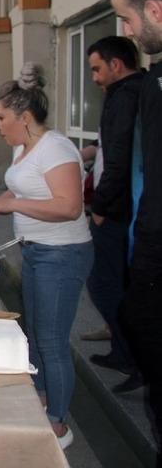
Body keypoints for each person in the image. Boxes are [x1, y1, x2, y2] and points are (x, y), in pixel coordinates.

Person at [0, 63, 93, 450]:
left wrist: (13, 205)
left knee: (53, 341)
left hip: (61, 256)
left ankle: (59, 426)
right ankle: (42, 402)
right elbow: (26, 193)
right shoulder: (24, 147)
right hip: (37, 252)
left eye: (0, 117)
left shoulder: (56, 147)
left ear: (24, 117)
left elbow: (69, 206)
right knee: (37, 336)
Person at [101, 0, 162, 461]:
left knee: (133, 310)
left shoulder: (138, 91)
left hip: (150, 241)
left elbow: (125, 160)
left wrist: (102, 204)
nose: (126, 30)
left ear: (155, 11)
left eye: (125, 18)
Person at [83, 36, 144, 394]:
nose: (93, 76)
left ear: (115, 65)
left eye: (96, 68)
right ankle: (122, 351)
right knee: (114, 284)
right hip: (122, 208)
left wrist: (102, 208)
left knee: (106, 285)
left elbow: (120, 160)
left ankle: (134, 357)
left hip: (118, 211)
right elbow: (109, 146)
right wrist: (86, 152)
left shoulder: (127, 96)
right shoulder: (128, 95)